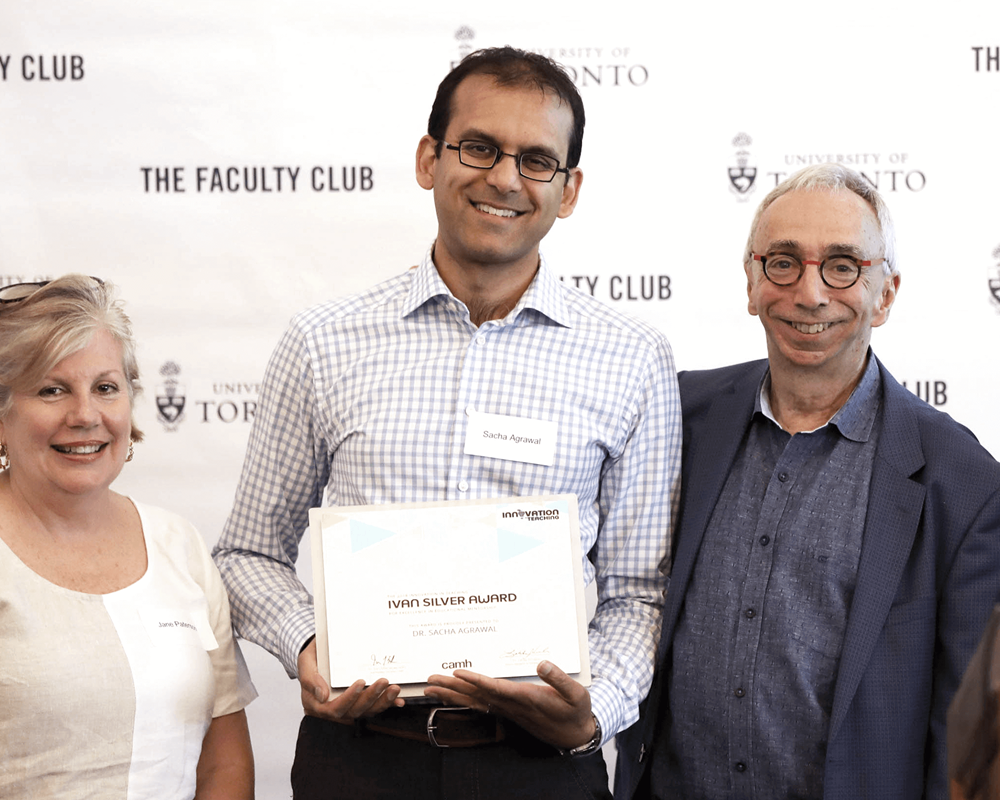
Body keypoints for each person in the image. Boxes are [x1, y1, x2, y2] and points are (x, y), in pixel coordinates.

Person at [213, 46, 680, 799]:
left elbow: (637, 593)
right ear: (430, 159)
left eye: (537, 160)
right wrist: (308, 645)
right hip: (358, 757)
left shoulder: (633, 358)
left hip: (537, 770)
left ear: (569, 190)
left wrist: (591, 713)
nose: (504, 178)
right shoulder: (323, 341)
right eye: (479, 148)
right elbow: (246, 553)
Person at [614, 163, 1000, 799]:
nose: (811, 293)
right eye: (783, 262)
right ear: (751, 282)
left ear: (887, 292)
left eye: (843, 265)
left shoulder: (964, 484)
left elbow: (963, 743)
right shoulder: (677, 415)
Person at [0, 275, 257, 799]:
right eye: (52, 390)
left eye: (105, 388)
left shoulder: (176, 544)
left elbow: (222, 762)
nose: (85, 416)